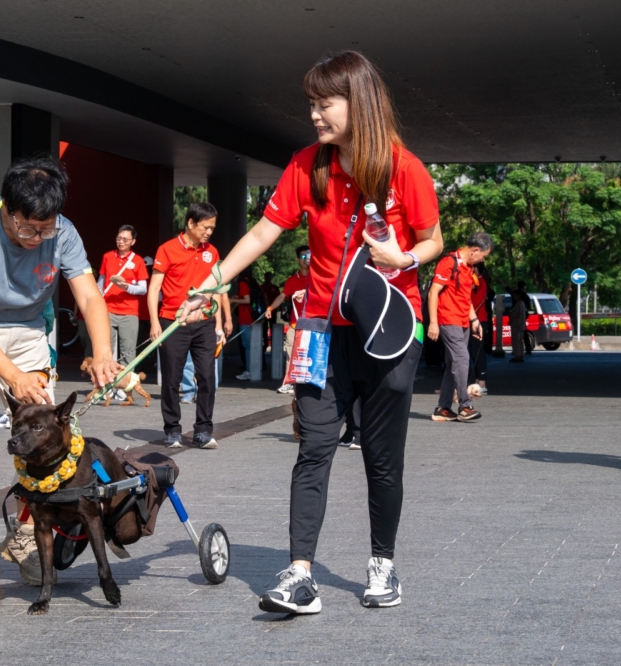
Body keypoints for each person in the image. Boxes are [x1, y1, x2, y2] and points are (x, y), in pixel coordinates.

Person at [179, 51, 444, 614]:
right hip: (320, 329)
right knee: (314, 447)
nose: (316, 116)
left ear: (359, 102)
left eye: (326, 104)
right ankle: (301, 574)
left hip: (388, 332)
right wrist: (211, 283)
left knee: (381, 457)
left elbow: (434, 240)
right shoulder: (307, 164)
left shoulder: (405, 168)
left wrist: (402, 256)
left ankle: (383, 564)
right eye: (312, 106)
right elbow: (262, 234)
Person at [0, 156, 120, 609]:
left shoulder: (63, 232)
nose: (38, 238)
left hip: (30, 332)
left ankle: (24, 537)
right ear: (7, 210)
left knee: (42, 442)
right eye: (29, 229)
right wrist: (13, 378)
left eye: (46, 230)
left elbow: (90, 295)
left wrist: (103, 354)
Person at [148, 202, 225, 450]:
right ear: (190, 223)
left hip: (204, 323)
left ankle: (203, 431)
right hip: (173, 322)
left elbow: (216, 290)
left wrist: (219, 324)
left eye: (212, 228)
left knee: (206, 377)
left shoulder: (211, 251)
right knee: (171, 380)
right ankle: (172, 430)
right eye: (205, 227)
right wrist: (153, 323)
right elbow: (154, 289)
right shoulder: (167, 249)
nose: (209, 232)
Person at [428, 232, 493, 422]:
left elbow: (466, 299)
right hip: (448, 320)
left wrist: (474, 321)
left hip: (464, 321)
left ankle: (443, 408)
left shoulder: (469, 268)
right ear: (474, 250)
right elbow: (433, 292)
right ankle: (465, 405)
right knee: (463, 359)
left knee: (453, 364)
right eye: (483, 255)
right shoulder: (449, 263)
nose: (482, 259)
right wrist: (433, 322)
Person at [98, 224, 149, 398]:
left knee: (128, 351)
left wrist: (126, 286)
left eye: (125, 239)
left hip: (129, 312)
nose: (121, 242)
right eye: (119, 238)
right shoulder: (107, 257)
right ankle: (107, 386)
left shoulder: (138, 261)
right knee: (107, 351)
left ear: (133, 241)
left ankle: (123, 387)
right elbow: (101, 282)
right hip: (108, 310)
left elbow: (143, 289)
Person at [265, 245, 311, 394]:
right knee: (291, 355)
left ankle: (308, 385)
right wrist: (270, 308)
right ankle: (290, 383)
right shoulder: (292, 280)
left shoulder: (317, 277)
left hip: (313, 325)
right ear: (298, 260)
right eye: (303, 257)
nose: (307, 260)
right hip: (295, 325)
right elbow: (282, 296)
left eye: (309, 256)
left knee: (310, 356)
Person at [467, 263, 493, 392]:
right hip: (478, 319)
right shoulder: (480, 281)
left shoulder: (479, 281)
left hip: (478, 320)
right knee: (474, 351)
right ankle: (478, 381)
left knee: (478, 352)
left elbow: (473, 301)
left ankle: (482, 383)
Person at [229, 270, 258, 380]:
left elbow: (247, 300)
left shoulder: (242, 283)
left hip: (246, 319)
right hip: (251, 318)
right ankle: (253, 369)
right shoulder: (249, 281)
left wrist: (231, 300)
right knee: (250, 345)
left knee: (247, 346)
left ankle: (249, 370)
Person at [509, 281, 531, 361]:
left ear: (518, 295)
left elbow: (514, 314)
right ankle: (520, 355)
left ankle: (517, 356)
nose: (514, 296)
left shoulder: (518, 304)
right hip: (521, 325)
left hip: (517, 325)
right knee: (520, 341)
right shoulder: (522, 303)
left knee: (516, 341)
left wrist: (511, 317)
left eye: (515, 295)